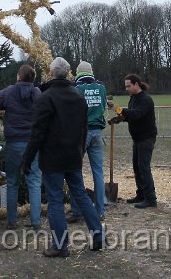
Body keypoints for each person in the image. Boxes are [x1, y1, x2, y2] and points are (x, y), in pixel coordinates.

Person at [22, 57, 104, 257]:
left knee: (55, 200)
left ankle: (60, 246)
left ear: (51, 73)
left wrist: (28, 158)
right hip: (73, 155)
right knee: (81, 195)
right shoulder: (78, 96)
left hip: (53, 158)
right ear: (67, 73)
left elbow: (37, 132)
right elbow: (84, 128)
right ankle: (98, 235)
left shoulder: (46, 98)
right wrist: (79, 150)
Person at [0, 64, 43, 230]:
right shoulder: (37, 93)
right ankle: (36, 222)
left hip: (13, 142)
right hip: (32, 143)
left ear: (19, 77)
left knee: (12, 181)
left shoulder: (10, 91)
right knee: (34, 181)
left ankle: (12, 221)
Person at [67, 61, 108, 223]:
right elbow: (103, 105)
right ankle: (100, 210)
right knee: (98, 172)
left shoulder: (76, 89)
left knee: (75, 170)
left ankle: (77, 210)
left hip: (82, 133)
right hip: (97, 132)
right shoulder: (101, 88)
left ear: (78, 73)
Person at [109, 73, 157, 208]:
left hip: (146, 138)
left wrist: (117, 108)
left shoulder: (145, 99)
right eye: (125, 86)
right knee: (137, 167)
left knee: (144, 168)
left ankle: (150, 199)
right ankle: (141, 195)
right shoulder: (133, 98)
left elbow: (136, 114)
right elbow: (129, 116)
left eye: (129, 86)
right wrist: (118, 119)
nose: (127, 89)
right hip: (137, 139)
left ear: (136, 84)